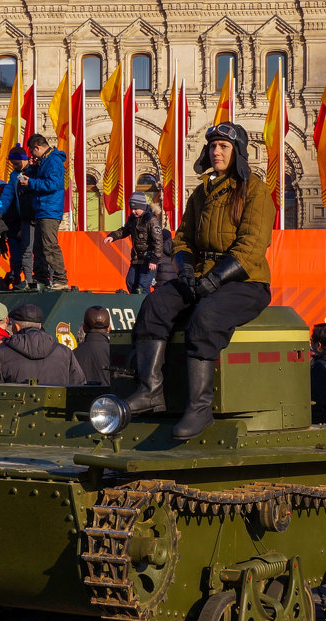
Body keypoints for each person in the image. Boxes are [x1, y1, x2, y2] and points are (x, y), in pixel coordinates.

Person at [126, 122, 275, 441]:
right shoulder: (202, 192)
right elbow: (181, 239)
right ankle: (150, 390)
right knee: (155, 304)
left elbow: (251, 247)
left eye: (223, 146)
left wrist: (215, 279)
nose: (216, 151)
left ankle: (199, 408)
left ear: (237, 152)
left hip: (245, 282)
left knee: (205, 317)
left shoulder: (255, 190)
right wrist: (185, 271)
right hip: (200, 275)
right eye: (212, 146)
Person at [0, 304, 85, 385]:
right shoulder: (65, 352)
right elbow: (79, 383)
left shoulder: (0, 353)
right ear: (39, 326)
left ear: (17, 327)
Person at [19, 133, 69, 290]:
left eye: (32, 152)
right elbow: (44, 179)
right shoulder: (45, 161)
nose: (32, 155)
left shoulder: (53, 160)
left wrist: (31, 183)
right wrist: (33, 169)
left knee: (49, 245)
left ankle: (61, 279)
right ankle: (41, 278)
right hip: (42, 209)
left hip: (50, 210)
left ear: (37, 147)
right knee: (39, 247)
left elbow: (53, 184)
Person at [104, 191, 164, 294]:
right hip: (136, 259)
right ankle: (135, 305)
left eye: (136, 209)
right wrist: (113, 236)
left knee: (143, 285)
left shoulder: (151, 220)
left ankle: (145, 306)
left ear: (143, 207)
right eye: (132, 209)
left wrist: (154, 260)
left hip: (149, 259)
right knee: (131, 282)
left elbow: (158, 241)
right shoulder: (133, 220)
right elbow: (124, 230)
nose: (133, 211)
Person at [0, 146, 36, 288]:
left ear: (25, 160)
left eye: (17, 163)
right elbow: (7, 195)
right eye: (13, 164)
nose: (15, 166)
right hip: (25, 217)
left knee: (40, 249)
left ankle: (44, 277)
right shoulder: (14, 175)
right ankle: (28, 281)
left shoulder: (34, 170)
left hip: (38, 215)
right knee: (26, 251)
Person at [74, 306, 112, 386]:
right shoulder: (116, 353)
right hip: (107, 398)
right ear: (109, 328)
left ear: (84, 328)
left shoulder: (72, 354)